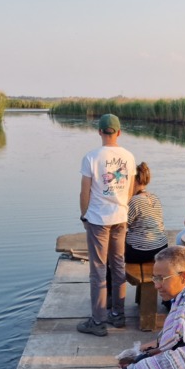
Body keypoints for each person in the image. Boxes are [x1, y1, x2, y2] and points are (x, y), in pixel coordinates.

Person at [78, 113, 136, 336]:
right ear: (119, 132)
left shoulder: (91, 157)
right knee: (118, 265)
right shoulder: (129, 157)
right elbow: (130, 190)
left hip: (98, 220)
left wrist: (84, 216)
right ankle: (118, 315)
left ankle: (98, 320)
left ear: (100, 131)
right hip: (120, 217)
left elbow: (85, 192)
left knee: (98, 270)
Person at [125, 162, 168, 262]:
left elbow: (122, 227)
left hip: (142, 251)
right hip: (161, 247)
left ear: (134, 180)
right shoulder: (154, 198)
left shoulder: (134, 201)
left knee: (111, 249)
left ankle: (110, 277)